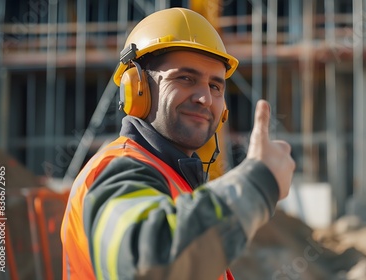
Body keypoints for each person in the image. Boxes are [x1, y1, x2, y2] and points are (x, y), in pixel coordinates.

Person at [60, 7, 295, 280]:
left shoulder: (172, 178)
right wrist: (256, 184)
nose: (205, 98)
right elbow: (147, 266)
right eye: (185, 78)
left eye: (215, 86)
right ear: (137, 89)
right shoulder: (117, 169)